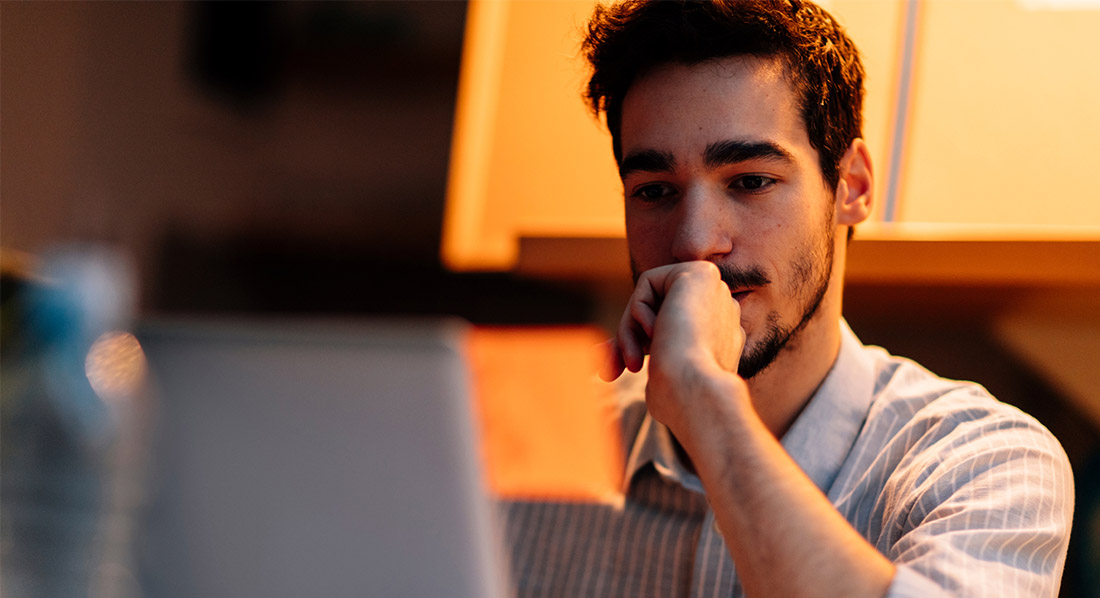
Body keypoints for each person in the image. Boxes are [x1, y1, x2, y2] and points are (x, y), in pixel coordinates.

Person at [498, 1, 1074, 597]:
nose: (695, 242)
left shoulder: (982, 462)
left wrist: (705, 403)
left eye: (750, 181)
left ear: (851, 187)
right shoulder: (530, 454)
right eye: (655, 190)